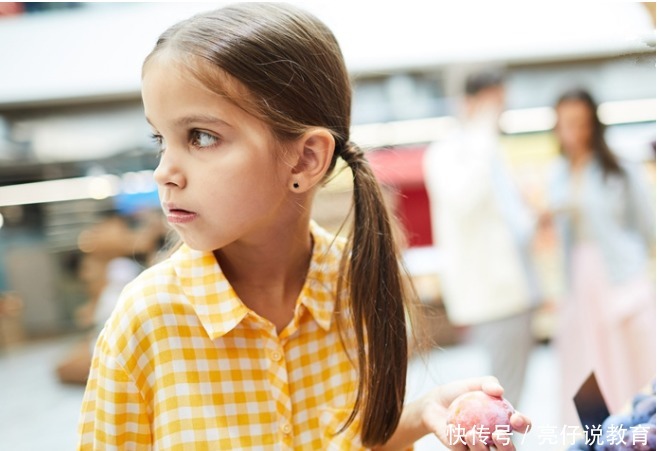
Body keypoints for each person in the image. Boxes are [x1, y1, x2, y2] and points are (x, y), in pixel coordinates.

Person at [77, 4, 531, 449]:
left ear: (307, 158)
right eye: (161, 139)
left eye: (201, 136)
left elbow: (354, 441)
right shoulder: (145, 322)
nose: (164, 171)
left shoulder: (357, 287)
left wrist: (419, 415)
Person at [423, 70, 542, 408]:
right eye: (494, 105)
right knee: (499, 395)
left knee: (514, 391)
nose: (500, 113)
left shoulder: (490, 150)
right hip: (492, 297)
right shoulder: (451, 152)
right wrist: (481, 133)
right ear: (469, 104)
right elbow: (464, 201)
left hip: (521, 291)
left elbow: (509, 222)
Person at [546, 88, 656, 425]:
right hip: (579, 281)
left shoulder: (620, 169)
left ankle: (638, 431)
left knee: (630, 361)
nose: (574, 132)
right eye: (566, 124)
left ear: (594, 124)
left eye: (581, 123)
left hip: (622, 277)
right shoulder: (558, 174)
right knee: (587, 366)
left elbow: (649, 227)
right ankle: (599, 437)